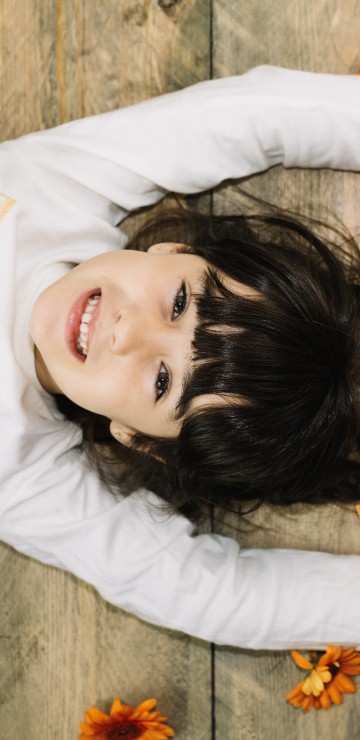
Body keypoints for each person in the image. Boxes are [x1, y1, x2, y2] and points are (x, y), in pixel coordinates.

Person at [0, 65, 360, 650]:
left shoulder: (22, 473)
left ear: (137, 438)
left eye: (164, 382)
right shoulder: (57, 190)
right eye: (179, 301)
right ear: (173, 250)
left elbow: (218, 597)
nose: (127, 333)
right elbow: (260, 111)